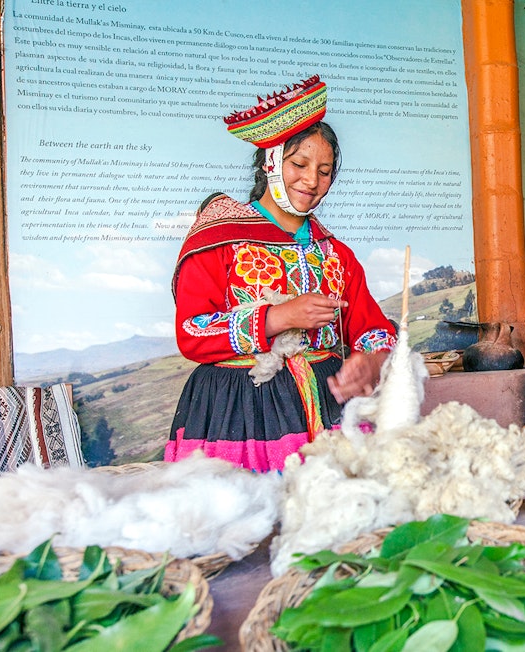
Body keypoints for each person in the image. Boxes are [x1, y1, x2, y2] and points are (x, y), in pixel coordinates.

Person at [166, 75, 397, 472]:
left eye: (325, 171)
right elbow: (192, 331)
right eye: (299, 164)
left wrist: (371, 361)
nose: (312, 181)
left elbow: (372, 328)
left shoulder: (334, 254)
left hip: (328, 410)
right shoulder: (221, 240)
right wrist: (279, 317)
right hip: (241, 414)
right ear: (271, 162)